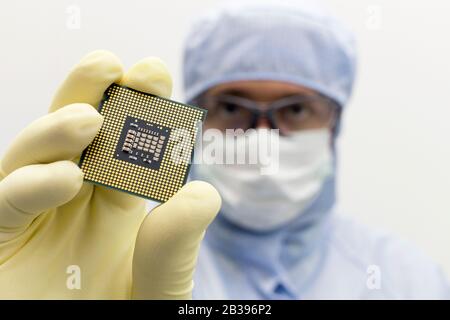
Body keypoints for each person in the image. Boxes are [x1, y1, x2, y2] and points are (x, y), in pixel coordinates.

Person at [185, 0, 450, 299]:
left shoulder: (409, 281)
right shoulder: (133, 262)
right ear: (194, 118)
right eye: (231, 107)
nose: (262, 139)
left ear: (333, 125)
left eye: (296, 110)